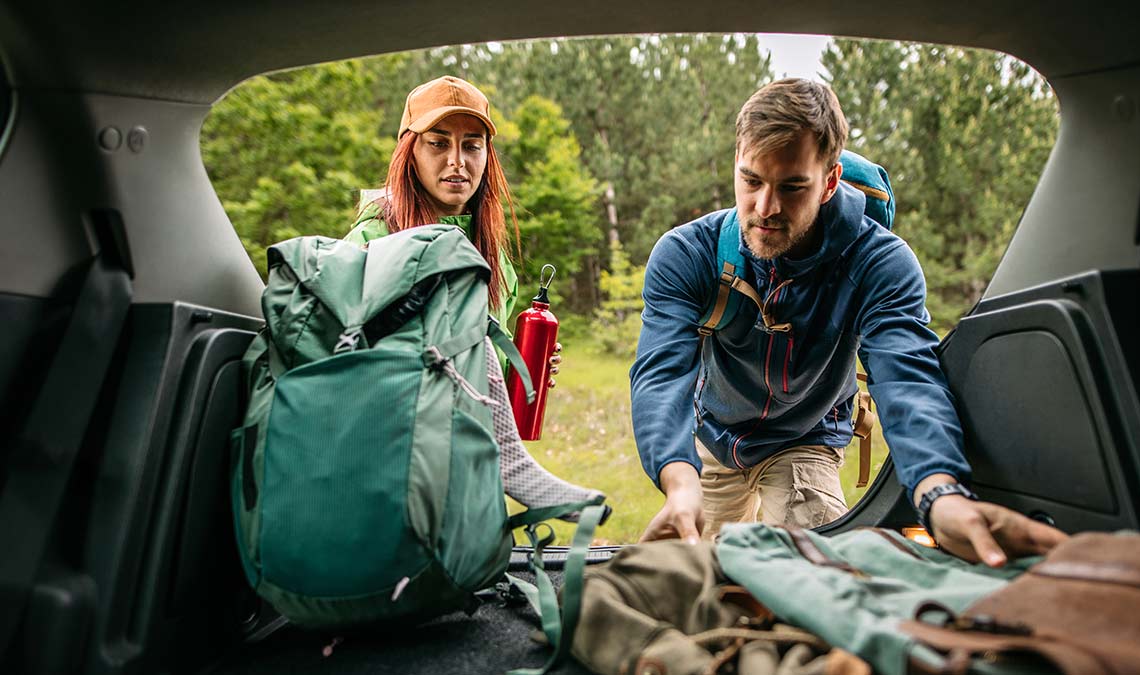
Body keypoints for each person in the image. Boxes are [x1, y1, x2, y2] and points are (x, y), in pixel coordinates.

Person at [631, 78, 1065, 566]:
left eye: (792, 187)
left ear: (830, 181)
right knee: (696, 566)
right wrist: (678, 479)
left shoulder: (879, 263)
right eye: (751, 181)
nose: (765, 208)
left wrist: (940, 494)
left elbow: (907, 378)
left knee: (813, 572)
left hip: (805, 437)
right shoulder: (688, 253)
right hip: (712, 430)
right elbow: (662, 372)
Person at [346, 75, 592, 514]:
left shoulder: (490, 253)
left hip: (473, 464)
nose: (457, 162)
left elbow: (476, 361)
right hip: (391, 468)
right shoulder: (373, 240)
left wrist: (518, 365)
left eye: (472, 145)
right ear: (409, 151)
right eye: (438, 143)